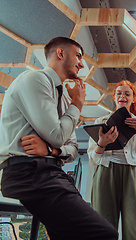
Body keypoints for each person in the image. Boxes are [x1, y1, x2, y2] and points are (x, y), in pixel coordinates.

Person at [0, 37, 118, 239]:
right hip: (28, 173)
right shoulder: (35, 79)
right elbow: (57, 136)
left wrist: (51, 151)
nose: (82, 64)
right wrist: (78, 104)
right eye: (79, 56)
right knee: (105, 234)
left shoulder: (63, 97)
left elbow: (71, 148)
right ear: (60, 53)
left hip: (50, 172)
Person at [88, 80, 136, 240]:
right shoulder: (100, 122)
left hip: (133, 173)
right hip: (106, 171)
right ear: (114, 97)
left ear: (133, 98)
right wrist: (102, 143)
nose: (123, 96)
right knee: (102, 221)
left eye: (127, 94)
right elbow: (93, 160)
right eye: (119, 93)